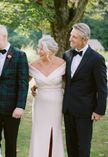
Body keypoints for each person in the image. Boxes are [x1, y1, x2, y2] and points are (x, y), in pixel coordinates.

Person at [63, 23, 107, 157]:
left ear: (85, 40)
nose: (70, 39)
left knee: (83, 146)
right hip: (68, 109)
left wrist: (99, 110)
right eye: (71, 35)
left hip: (85, 110)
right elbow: (64, 80)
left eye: (74, 37)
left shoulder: (97, 59)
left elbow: (103, 88)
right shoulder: (67, 55)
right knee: (70, 145)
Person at [0, 25, 29, 157]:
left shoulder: (20, 55)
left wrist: (20, 106)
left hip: (12, 108)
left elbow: (23, 83)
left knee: (11, 143)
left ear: (4, 37)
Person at [28, 35, 65, 157]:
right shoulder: (33, 65)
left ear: (49, 50)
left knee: (55, 131)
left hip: (57, 103)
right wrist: (34, 88)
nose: (39, 52)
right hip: (40, 104)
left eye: (41, 49)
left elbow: (71, 84)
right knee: (39, 131)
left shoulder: (63, 64)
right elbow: (24, 83)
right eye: (38, 48)